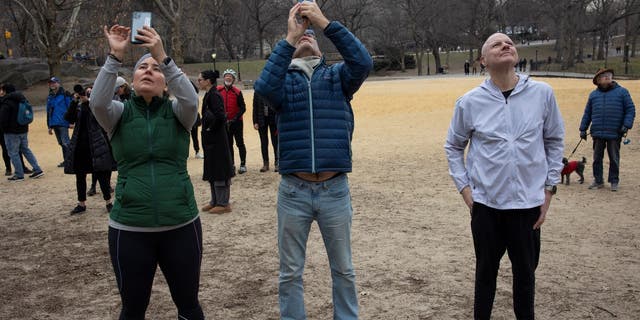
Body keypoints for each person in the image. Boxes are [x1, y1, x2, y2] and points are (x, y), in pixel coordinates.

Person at [254, 2, 373, 319]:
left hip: (335, 189)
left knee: (344, 269)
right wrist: (289, 38)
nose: (306, 35)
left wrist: (324, 22)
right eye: (302, 34)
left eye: (311, 35)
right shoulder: (284, 83)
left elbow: (362, 62)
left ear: (321, 45)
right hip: (294, 191)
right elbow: (263, 87)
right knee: (290, 271)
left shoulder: (338, 77)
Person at [444, 32, 565, 319]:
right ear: (483, 60)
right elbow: (453, 145)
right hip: (486, 205)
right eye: (496, 44)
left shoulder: (542, 94)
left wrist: (549, 189)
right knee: (485, 274)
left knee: (526, 275)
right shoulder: (469, 102)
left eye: (509, 42)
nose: (506, 45)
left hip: (527, 206)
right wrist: (464, 188)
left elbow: (554, 140)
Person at [90, 23, 203, 319]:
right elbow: (97, 102)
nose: (149, 71)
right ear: (133, 80)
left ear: (166, 83)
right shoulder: (119, 114)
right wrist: (115, 56)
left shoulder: (179, 113)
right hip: (129, 228)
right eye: (142, 68)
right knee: (133, 308)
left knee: (189, 305)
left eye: (156, 69)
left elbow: (192, 99)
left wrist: (163, 57)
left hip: (180, 224)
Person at [579, 68, 635, 191]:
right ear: (598, 80)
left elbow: (630, 110)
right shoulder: (593, 95)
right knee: (597, 159)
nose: (607, 77)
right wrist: (583, 129)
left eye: (609, 75)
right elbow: (587, 113)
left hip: (615, 132)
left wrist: (626, 125)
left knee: (614, 158)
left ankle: (614, 181)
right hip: (597, 132)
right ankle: (598, 180)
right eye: (604, 76)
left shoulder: (622, 92)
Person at [64, 84, 115, 215]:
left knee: (102, 175)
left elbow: (98, 118)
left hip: (96, 145)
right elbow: (69, 118)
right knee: (80, 176)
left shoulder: (96, 106)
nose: (85, 95)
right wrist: (75, 101)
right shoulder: (79, 106)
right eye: (85, 93)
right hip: (80, 147)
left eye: (89, 93)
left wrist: (88, 103)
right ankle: (81, 203)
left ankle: (109, 202)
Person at [198, 69, 234, 214]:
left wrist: (210, 128)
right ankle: (215, 201)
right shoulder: (209, 94)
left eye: (200, 79)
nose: (198, 82)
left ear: (208, 81)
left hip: (217, 139)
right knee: (212, 169)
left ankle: (223, 203)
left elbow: (220, 116)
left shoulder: (214, 95)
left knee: (220, 170)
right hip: (211, 140)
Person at [0, 83, 45, 181]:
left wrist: (3, 129)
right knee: (25, 149)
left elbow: (3, 119)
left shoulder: (6, 102)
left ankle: (19, 174)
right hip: (23, 129)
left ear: (5, 91)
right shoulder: (22, 98)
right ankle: (37, 169)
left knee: (13, 152)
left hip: (11, 132)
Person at [217, 68, 247, 174]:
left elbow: (243, 107)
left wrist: (235, 118)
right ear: (223, 78)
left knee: (240, 143)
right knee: (228, 144)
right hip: (225, 122)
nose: (228, 78)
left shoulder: (237, 92)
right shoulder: (218, 91)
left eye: (230, 77)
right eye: (226, 76)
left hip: (237, 122)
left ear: (233, 79)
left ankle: (243, 164)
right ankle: (231, 164)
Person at [0, 83, 32, 176]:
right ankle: (9, 168)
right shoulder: (11, 99)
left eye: (2, 90)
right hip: (7, 128)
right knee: (9, 149)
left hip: (8, 128)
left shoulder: (8, 100)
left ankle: (20, 168)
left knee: (15, 149)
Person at [46, 76, 72, 168]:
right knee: (61, 142)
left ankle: (70, 161)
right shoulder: (50, 96)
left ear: (58, 83)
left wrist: (71, 121)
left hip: (63, 122)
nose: (52, 85)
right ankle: (66, 160)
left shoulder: (65, 94)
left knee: (66, 142)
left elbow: (71, 108)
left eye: (54, 83)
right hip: (54, 123)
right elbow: (48, 111)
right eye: (50, 83)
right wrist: (49, 125)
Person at [253, 92, 278, 172]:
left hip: (273, 120)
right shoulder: (257, 92)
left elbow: (278, 106)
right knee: (264, 143)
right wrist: (255, 121)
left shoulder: (273, 90)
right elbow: (255, 107)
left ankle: (277, 163)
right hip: (261, 120)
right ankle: (265, 163)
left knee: (275, 142)